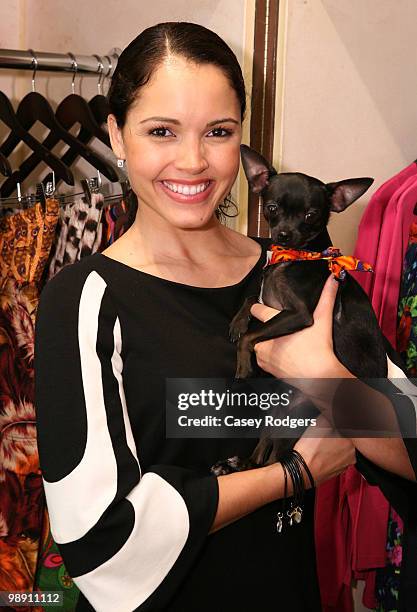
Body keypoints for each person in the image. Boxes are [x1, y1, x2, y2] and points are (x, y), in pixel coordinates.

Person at [34, 22, 417, 612]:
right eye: (161, 131)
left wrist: (328, 381)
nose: (193, 162)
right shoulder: (82, 299)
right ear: (116, 133)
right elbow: (96, 543)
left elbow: (411, 446)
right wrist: (293, 474)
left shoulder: (305, 278)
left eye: (218, 132)